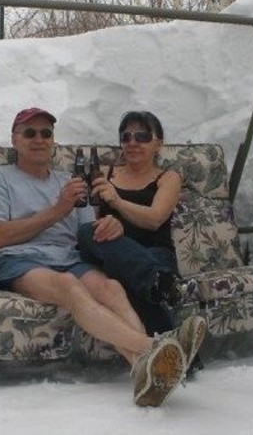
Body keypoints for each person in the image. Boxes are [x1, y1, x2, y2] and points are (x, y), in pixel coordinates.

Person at [0, 107, 200, 407]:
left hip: (69, 257)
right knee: (69, 286)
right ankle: (155, 346)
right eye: (30, 133)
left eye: (46, 133)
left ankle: (144, 371)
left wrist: (113, 224)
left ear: (53, 140)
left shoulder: (69, 181)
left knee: (112, 288)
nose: (39, 139)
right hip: (18, 259)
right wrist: (58, 210)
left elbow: (88, 232)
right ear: (15, 140)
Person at [77, 110, 205, 371]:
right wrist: (108, 221)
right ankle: (159, 283)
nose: (133, 142)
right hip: (115, 252)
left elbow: (155, 219)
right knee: (87, 232)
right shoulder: (104, 173)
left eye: (142, 136)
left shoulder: (168, 177)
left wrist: (116, 202)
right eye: (126, 137)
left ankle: (173, 357)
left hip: (153, 252)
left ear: (159, 142)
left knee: (132, 282)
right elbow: (89, 219)